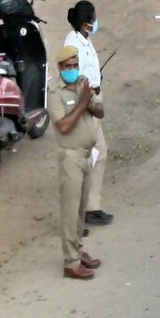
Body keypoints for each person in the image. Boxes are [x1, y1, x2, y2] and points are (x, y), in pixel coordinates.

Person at [50, 45, 103, 280]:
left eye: (75, 65)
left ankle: (78, 249)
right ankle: (70, 261)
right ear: (60, 68)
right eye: (68, 66)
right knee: (70, 211)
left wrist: (89, 101)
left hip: (86, 155)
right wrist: (82, 103)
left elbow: (100, 111)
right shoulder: (55, 93)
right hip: (70, 156)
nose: (72, 70)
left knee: (81, 208)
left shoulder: (83, 83)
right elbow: (63, 125)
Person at [63, 1, 114, 226]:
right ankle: (80, 214)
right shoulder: (73, 44)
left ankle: (91, 207)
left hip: (92, 99)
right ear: (86, 23)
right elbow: (73, 78)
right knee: (88, 157)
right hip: (84, 104)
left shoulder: (83, 40)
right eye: (94, 18)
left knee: (99, 153)